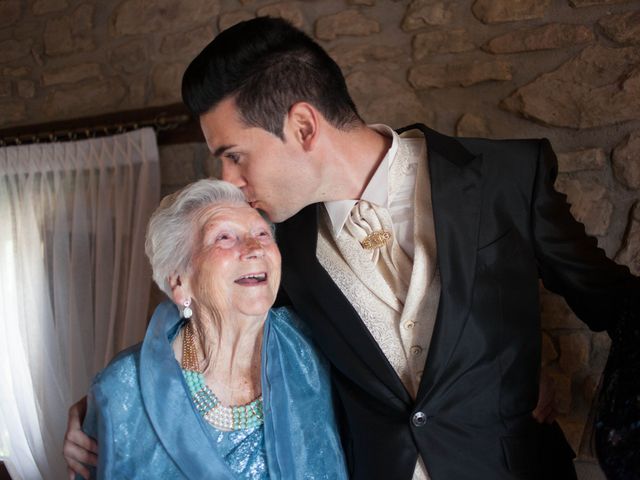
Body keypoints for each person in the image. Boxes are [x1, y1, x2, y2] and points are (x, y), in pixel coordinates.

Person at [64, 17, 640, 480]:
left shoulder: (506, 176)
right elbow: (215, 341)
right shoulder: (274, 245)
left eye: (234, 153)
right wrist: (110, 406)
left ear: (304, 127)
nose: (230, 179)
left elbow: (618, 305)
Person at [72, 178, 347, 479]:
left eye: (263, 234)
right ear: (179, 282)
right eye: (225, 238)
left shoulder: (314, 345)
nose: (255, 248)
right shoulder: (122, 390)